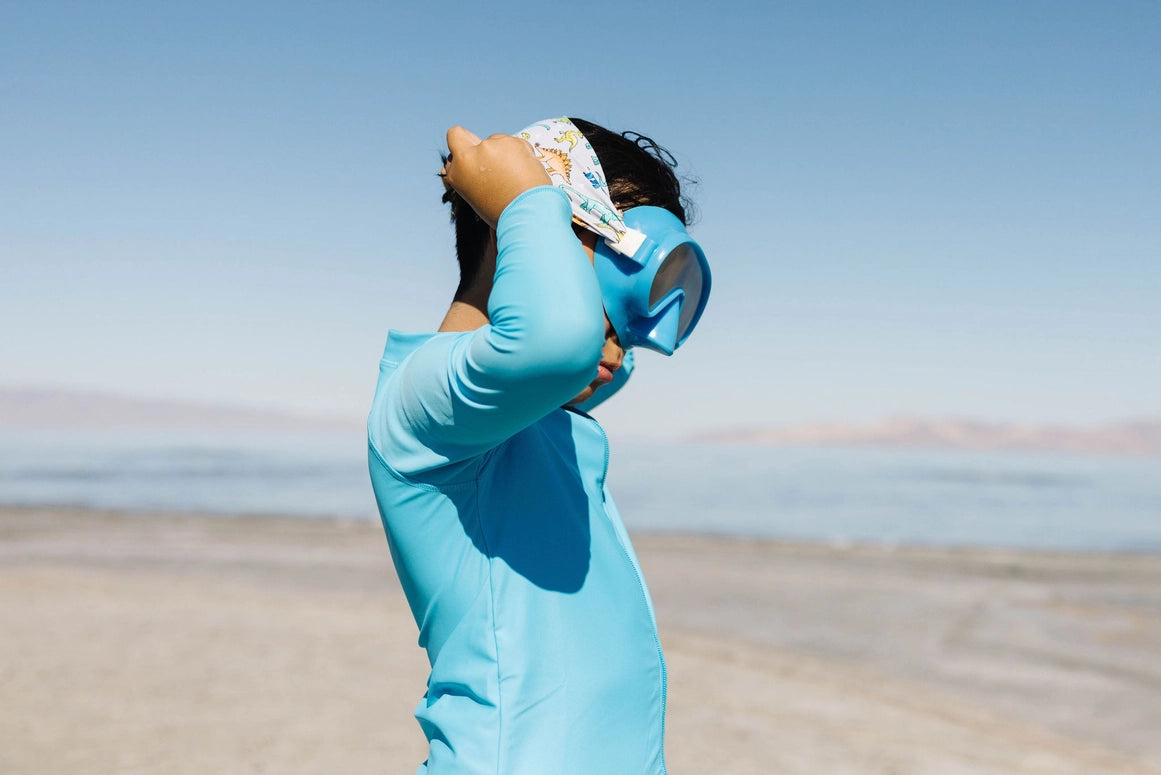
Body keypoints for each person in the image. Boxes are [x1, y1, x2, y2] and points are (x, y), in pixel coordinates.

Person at [367, 116, 710, 775]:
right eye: (620, 269)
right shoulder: (422, 410)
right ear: (521, 233)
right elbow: (555, 340)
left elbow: (575, 358)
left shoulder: (545, 421)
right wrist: (527, 202)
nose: (627, 333)